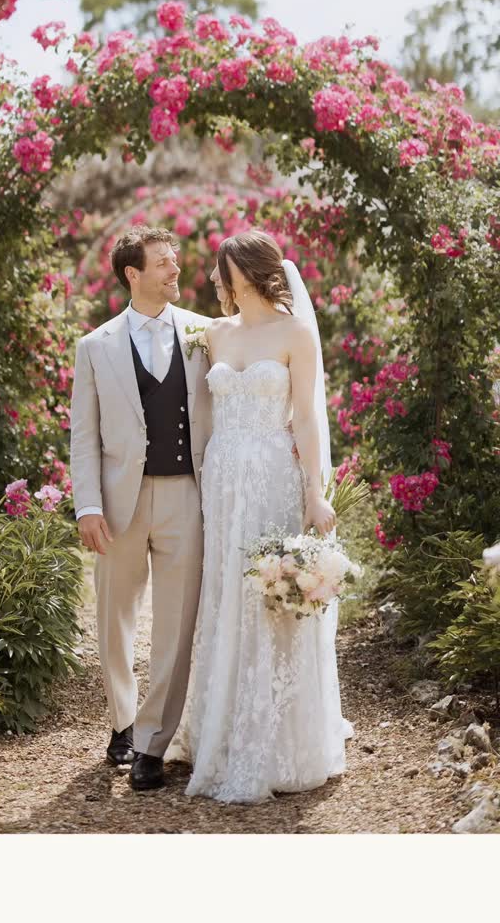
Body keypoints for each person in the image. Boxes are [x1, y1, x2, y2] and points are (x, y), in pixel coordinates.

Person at [168, 229, 353, 803]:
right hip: (222, 481)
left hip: (274, 474)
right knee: (226, 593)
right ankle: (219, 728)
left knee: (268, 597)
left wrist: (315, 493)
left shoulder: (295, 331)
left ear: (243, 273)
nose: (214, 281)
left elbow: (306, 418)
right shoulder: (214, 334)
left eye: (221, 271)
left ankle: (279, 738)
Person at [70, 225, 212, 791]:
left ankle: (153, 741)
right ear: (133, 274)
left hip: (185, 494)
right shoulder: (95, 346)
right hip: (118, 500)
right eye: (163, 263)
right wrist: (86, 506)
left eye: (175, 261)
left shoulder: (204, 333)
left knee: (177, 624)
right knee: (115, 620)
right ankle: (122, 722)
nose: (176, 270)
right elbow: (84, 436)